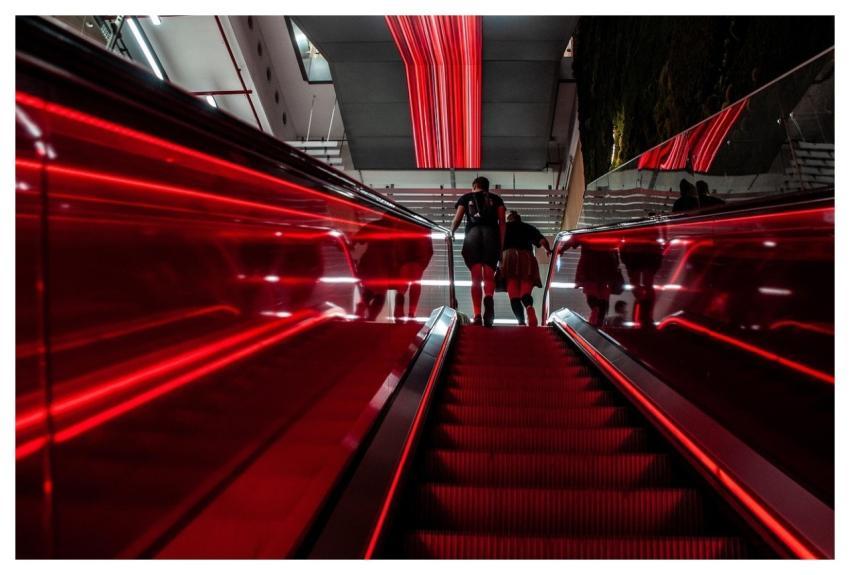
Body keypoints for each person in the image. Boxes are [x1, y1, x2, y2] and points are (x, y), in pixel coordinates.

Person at [450, 177, 505, 327]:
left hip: (473, 235)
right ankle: (488, 298)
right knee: (488, 274)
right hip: (491, 236)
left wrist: (451, 232)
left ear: (474, 186)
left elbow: (457, 219)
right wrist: (501, 246)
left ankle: (478, 315)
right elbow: (502, 223)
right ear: (487, 187)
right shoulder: (496, 199)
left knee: (475, 277)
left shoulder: (466, 197)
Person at [501, 210, 551, 327]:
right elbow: (543, 241)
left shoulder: (504, 228)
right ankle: (529, 307)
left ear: (509, 219)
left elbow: (494, 243)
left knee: (513, 293)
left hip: (509, 257)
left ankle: (521, 322)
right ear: (519, 218)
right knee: (525, 290)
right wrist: (548, 250)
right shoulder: (528, 227)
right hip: (527, 258)